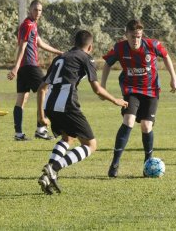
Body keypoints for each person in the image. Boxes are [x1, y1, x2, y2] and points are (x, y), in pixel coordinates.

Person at [37, 30, 128, 194]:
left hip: (50, 104)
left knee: (68, 137)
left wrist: (40, 115)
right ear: (90, 46)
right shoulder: (86, 58)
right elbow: (97, 89)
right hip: (66, 103)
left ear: (74, 43)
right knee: (90, 145)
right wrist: (116, 100)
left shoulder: (60, 57)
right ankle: (53, 167)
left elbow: (41, 87)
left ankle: (47, 177)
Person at [101, 19, 176, 178]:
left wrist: (174, 77)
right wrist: (102, 85)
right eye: (132, 36)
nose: (136, 40)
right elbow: (107, 64)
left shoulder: (152, 45)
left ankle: (148, 161)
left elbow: (166, 56)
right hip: (131, 90)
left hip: (151, 91)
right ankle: (115, 163)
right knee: (128, 120)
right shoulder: (119, 48)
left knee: (146, 126)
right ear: (126, 35)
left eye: (138, 36)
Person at [7, 0, 63, 141]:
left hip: (24, 68)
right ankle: (41, 129)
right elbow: (22, 47)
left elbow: (39, 43)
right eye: (35, 10)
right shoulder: (27, 25)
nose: (38, 13)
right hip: (30, 66)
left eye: (40, 10)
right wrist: (15, 66)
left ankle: (18, 134)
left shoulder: (31, 24)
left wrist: (59, 52)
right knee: (45, 91)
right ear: (30, 10)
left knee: (22, 98)